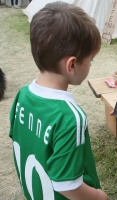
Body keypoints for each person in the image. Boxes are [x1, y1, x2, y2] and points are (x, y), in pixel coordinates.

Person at [9, 2, 107, 199]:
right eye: (90, 60)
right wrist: (98, 196)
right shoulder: (70, 117)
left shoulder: (22, 95)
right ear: (71, 65)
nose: (90, 65)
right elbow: (67, 186)